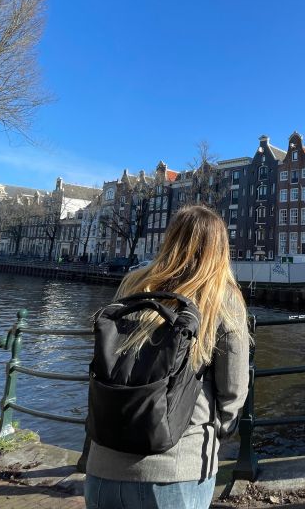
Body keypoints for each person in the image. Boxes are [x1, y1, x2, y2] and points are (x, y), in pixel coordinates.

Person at [85, 205, 250, 509]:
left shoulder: (133, 284)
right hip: (176, 470)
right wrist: (222, 431)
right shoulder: (222, 296)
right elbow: (233, 390)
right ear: (221, 248)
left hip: (103, 465)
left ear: (170, 240)